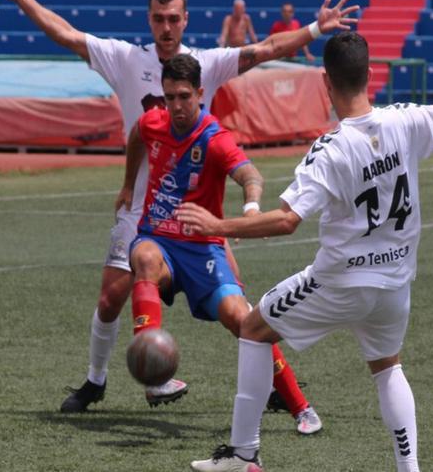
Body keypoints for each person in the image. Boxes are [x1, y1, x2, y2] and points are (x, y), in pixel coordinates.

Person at [0, 0, 358, 428]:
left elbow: (265, 49)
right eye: (158, 18)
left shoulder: (205, 66)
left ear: (185, 20)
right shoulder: (126, 59)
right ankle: (98, 381)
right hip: (146, 216)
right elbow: (69, 38)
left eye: (173, 18)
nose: (166, 26)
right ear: (150, 19)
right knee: (110, 297)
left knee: (240, 314)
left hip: (198, 218)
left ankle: (288, 395)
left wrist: (315, 31)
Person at [179, 31, 433, 472]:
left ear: (325, 81)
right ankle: (410, 469)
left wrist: (218, 225)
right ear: (370, 74)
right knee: (387, 367)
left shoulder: (329, 149)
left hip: (340, 282)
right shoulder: (405, 120)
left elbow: (287, 220)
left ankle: (244, 455)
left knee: (253, 328)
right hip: (395, 284)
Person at [120, 53, 322, 438]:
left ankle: (300, 405)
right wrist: (129, 184)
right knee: (143, 257)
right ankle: (153, 374)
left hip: (202, 249)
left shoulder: (214, 139)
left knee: (243, 319)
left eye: (183, 96)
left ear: (199, 93)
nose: (176, 106)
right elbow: (135, 137)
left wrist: (250, 208)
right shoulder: (152, 123)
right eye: (169, 98)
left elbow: (250, 175)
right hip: (158, 239)